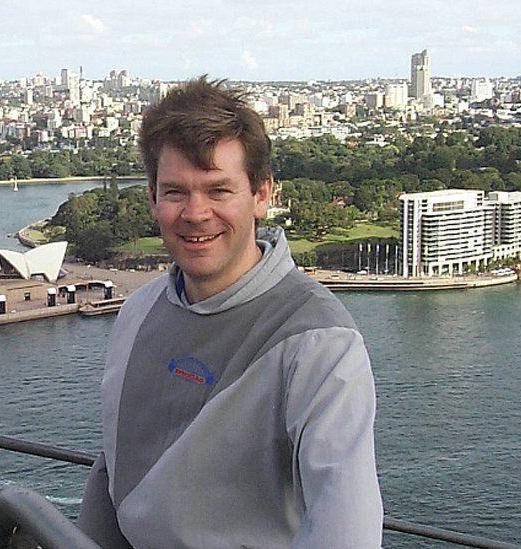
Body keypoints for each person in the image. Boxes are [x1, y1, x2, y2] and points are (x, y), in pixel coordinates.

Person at [77, 77, 382, 548]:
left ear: (261, 195)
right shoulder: (138, 312)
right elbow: (114, 469)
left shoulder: (320, 343)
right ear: (153, 200)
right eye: (176, 192)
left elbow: (345, 528)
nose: (196, 213)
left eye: (219, 190)